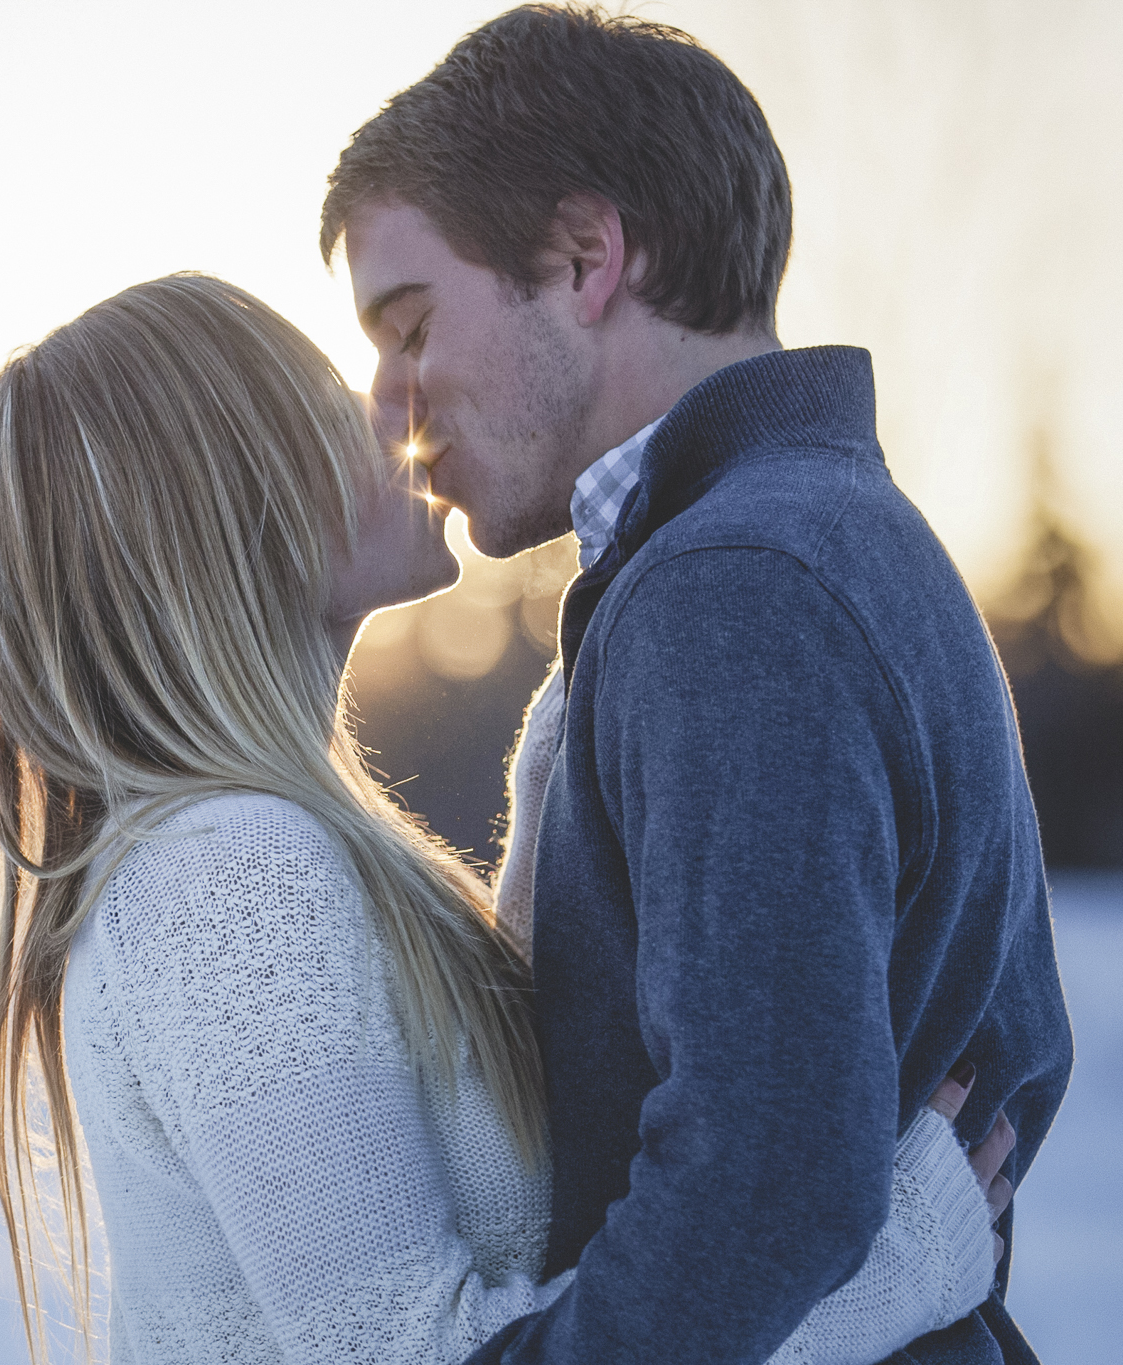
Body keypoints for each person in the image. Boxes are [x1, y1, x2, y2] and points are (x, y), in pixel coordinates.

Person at [0, 271, 1009, 1365]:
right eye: (326, 399)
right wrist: (892, 1266)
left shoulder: (239, 855)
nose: (394, 418)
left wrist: (577, 747)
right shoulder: (228, 878)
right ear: (227, 499)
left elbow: (517, 1195)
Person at [316, 6, 1073, 1362]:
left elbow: (767, 1169)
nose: (389, 398)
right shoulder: (813, 534)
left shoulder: (738, 586)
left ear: (585, 257)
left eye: (411, 322)